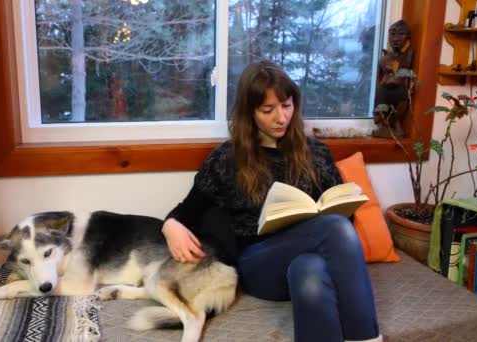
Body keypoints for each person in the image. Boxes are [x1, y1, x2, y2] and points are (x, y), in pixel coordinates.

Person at [161, 60, 382, 342]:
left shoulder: (317, 154)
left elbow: (344, 218)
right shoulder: (226, 160)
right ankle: (366, 337)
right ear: (250, 113)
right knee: (334, 228)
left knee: (310, 269)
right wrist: (170, 226)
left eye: (287, 105)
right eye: (268, 110)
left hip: (306, 259)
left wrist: (336, 210)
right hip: (260, 265)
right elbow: (186, 211)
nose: (281, 117)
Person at [372, 19, 414, 139]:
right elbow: (379, 78)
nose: (396, 38)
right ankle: (383, 126)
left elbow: (404, 75)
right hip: (384, 91)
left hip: (399, 91)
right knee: (381, 106)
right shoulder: (384, 57)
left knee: (398, 111)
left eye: (401, 34)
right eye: (392, 33)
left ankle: (397, 127)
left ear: (408, 37)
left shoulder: (408, 55)